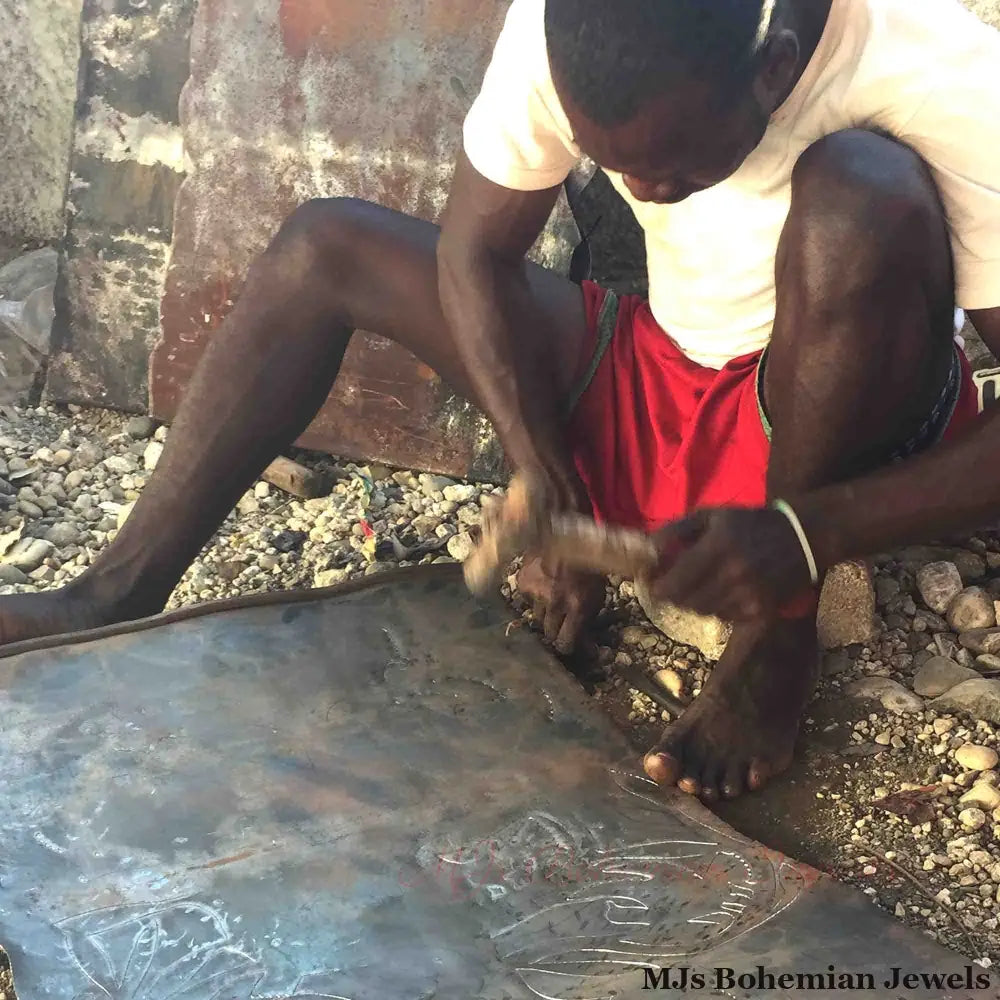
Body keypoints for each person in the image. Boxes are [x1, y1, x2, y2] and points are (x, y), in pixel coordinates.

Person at [2, 0, 1000, 803]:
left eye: (677, 166)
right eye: (613, 162)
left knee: (859, 193)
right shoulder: (566, 21)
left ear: (773, 67)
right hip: (663, 361)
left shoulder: (943, 69)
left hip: (831, 417)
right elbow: (475, 253)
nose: (643, 194)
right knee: (324, 246)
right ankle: (113, 593)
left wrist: (804, 533)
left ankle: (777, 632)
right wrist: (541, 466)